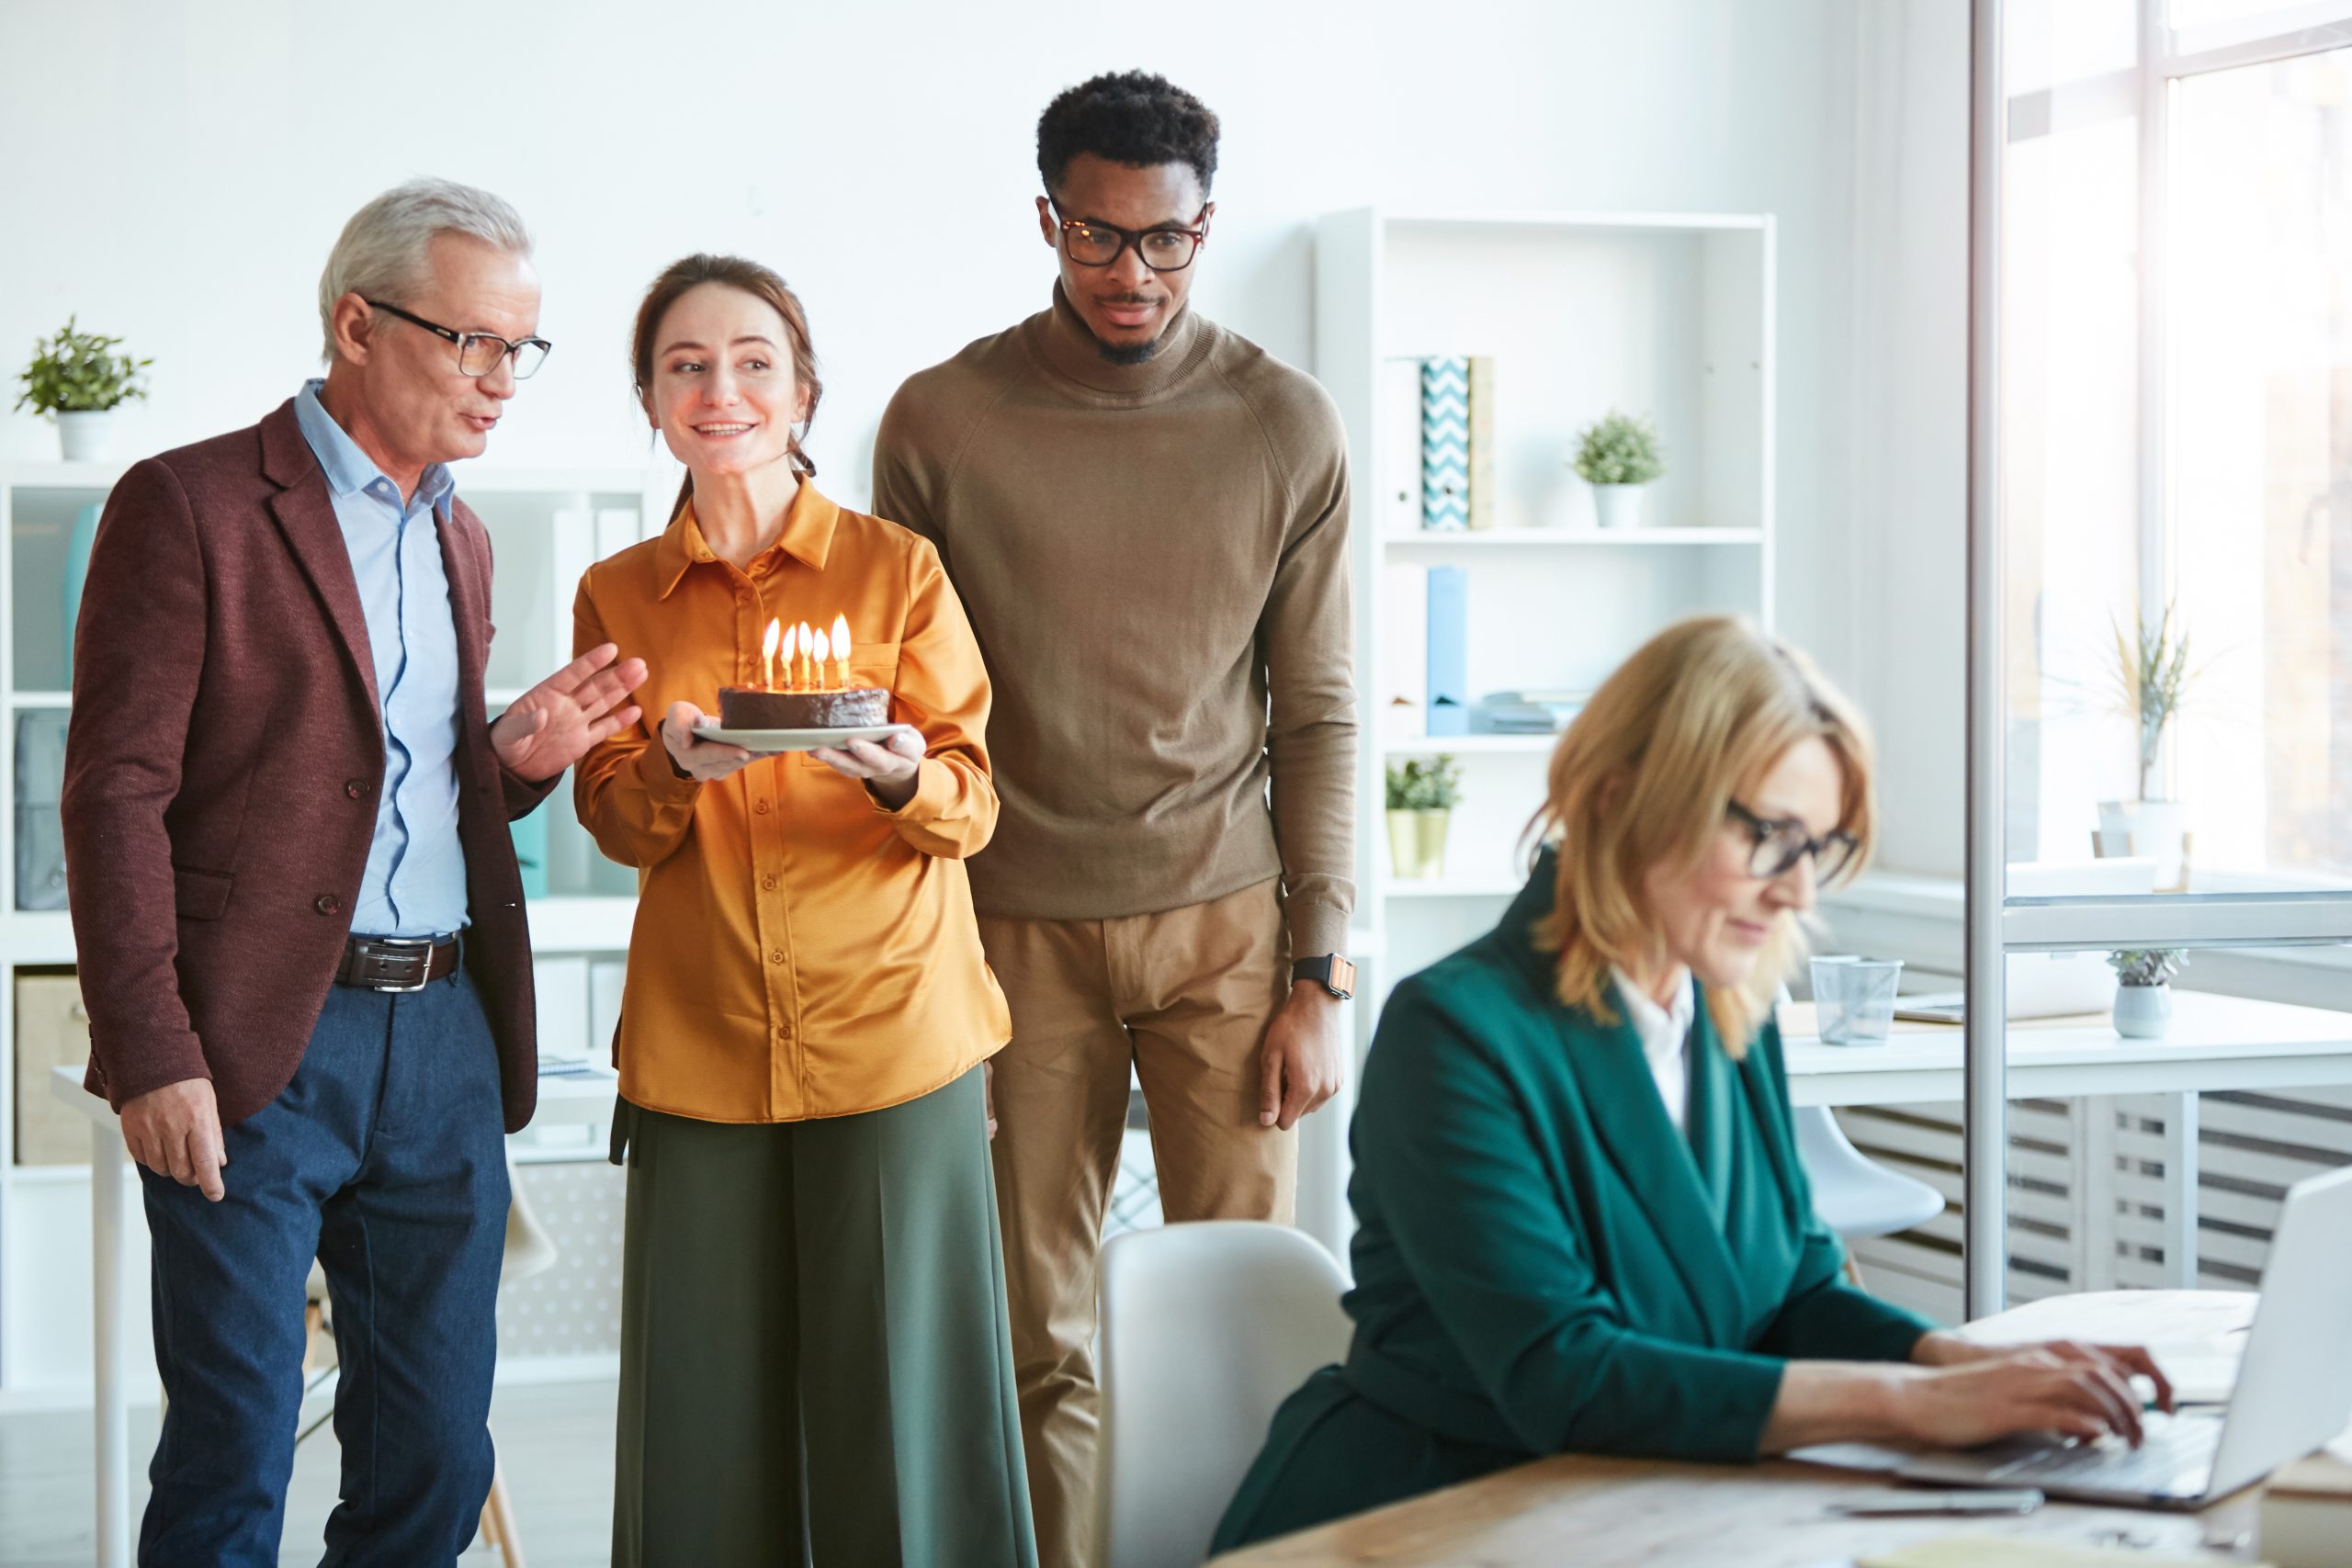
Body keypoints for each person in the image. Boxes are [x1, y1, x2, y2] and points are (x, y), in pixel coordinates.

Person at [1213, 615, 2174, 1549]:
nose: (1797, 890)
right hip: (1434, 1515)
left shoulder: (1724, 1011)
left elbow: (1794, 1290)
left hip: (1648, 1503)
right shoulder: (1455, 1032)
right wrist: (1919, 1403)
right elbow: (1567, 1376)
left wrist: (1965, 1362)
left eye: (1818, 848)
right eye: (1770, 836)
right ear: (1623, 798)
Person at [61, 178, 648, 1564]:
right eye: (472, 342)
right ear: (357, 324)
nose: (503, 380)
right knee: (237, 1440)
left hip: (442, 1034)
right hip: (255, 1034)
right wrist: (152, 1048)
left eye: (522, 349)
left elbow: (387, 793)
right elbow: (115, 791)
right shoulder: (188, 503)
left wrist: (519, 754)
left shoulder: (461, 529)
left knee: (436, 1451)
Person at [871, 70, 1356, 1565]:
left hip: (1227, 927)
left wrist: (1317, 973)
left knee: (1247, 1314)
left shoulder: (1283, 421)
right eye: (1098, 238)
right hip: (1008, 932)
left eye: (1167, 241)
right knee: (1042, 1333)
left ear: (1207, 225)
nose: (1132, 273)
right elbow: (910, 711)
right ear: (1047, 219)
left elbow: (1319, 712)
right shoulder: (943, 418)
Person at [574, 253, 1034, 1568]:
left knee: (908, 1413)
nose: (722, 390)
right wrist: (670, 767)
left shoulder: (898, 573)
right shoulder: (617, 594)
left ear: (805, 386)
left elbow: (972, 800)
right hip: (699, 1042)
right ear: (653, 398)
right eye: (686, 364)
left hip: (894, 1035)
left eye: (753, 361)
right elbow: (611, 815)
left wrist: (901, 774)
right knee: (701, 1421)